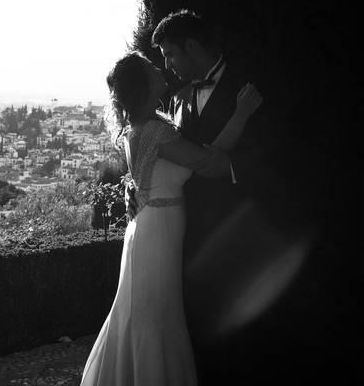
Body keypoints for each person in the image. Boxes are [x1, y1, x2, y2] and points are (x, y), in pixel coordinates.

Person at [81, 51, 262, 386]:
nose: (158, 67)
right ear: (144, 83)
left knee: (149, 313)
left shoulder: (146, 125)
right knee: (155, 316)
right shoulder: (154, 131)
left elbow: (171, 167)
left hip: (151, 226)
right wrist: (242, 114)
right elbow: (206, 162)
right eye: (151, 68)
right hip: (157, 233)